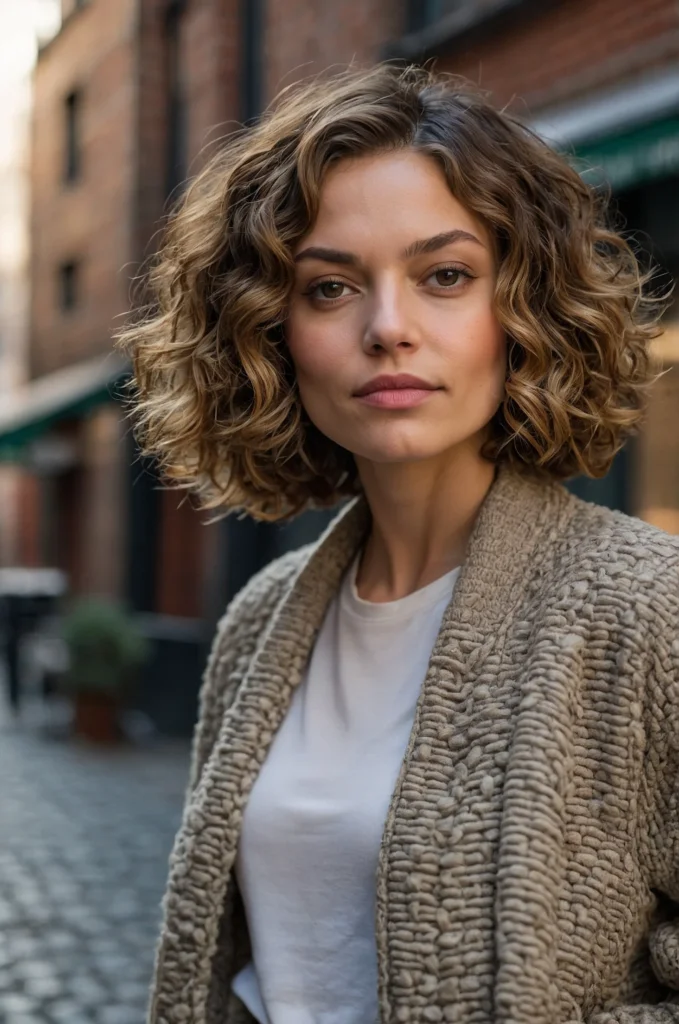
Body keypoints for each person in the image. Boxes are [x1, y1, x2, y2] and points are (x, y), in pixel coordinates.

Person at [117, 64, 679, 1024]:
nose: (388, 329)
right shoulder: (261, 622)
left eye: (444, 276)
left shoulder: (645, 607)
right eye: (329, 287)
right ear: (269, 334)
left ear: (522, 308)